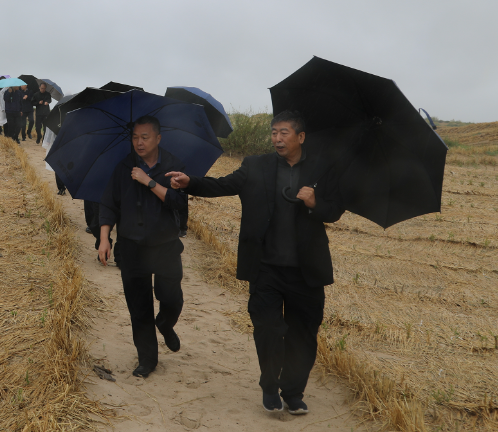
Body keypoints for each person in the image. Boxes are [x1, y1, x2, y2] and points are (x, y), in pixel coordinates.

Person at [166, 111, 343, 415]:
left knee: (303, 335)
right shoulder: (256, 165)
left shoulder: (321, 169)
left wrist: (316, 203)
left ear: (301, 137)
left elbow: (335, 210)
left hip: (306, 271)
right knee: (268, 328)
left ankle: (293, 392)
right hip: (266, 267)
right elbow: (223, 185)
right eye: (274, 132)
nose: (277, 138)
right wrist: (189, 182)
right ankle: (269, 384)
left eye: (284, 133)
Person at [98, 115, 188, 378]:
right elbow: (109, 204)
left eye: (145, 137)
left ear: (158, 138)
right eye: (135, 137)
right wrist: (104, 238)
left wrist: (148, 181)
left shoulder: (173, 166)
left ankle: (166, 323)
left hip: (165, 246)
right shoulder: (124, 167)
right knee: (139, 306)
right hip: (132, 247)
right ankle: (147, 359)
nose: (139, 142)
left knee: (171, 298)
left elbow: (178, 202)